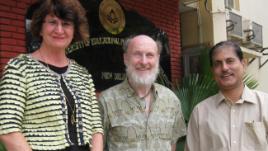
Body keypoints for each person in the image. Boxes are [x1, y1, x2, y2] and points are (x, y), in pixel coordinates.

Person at [0, 0, 103, 150]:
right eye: (52, 22)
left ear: (74, 30)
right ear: (40, 28)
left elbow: (96, 127)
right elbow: (8, 127)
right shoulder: (20, 68)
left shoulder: (82, 74)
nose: (59, 30)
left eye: (66, 24)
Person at [99, 35, 186, 151]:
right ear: (125, 58)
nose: (144, 61)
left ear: (157, 59)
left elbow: (172, 145)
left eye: (149, 55)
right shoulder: (106, 100)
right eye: (137, 54)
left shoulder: (171, 100)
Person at [185, 41, 268, 151]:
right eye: (217, 63)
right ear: (213, 71)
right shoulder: (200, 112)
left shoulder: (265, 104)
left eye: (230, 61)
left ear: (243, 64)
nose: (224, 68)